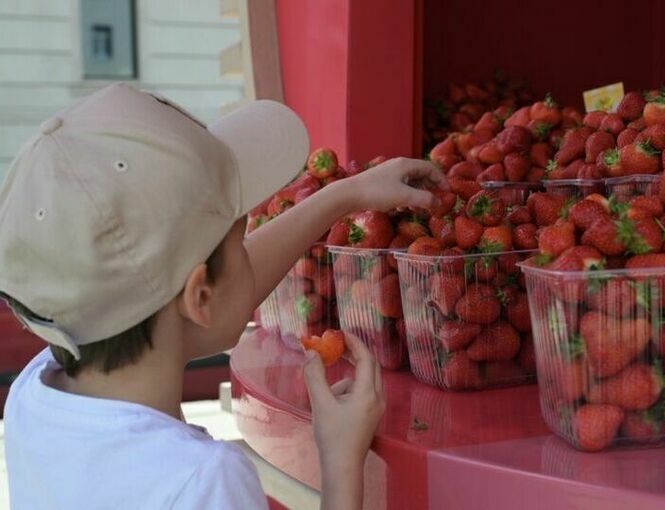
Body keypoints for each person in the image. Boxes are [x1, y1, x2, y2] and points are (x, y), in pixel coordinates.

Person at [0, 83, 446, 509]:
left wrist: (343, 195)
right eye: (241, 236)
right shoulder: (204, 481)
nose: (248, 249)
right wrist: (341, 461)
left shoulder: (35, 391)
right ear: (200, 296)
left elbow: (211, 289)